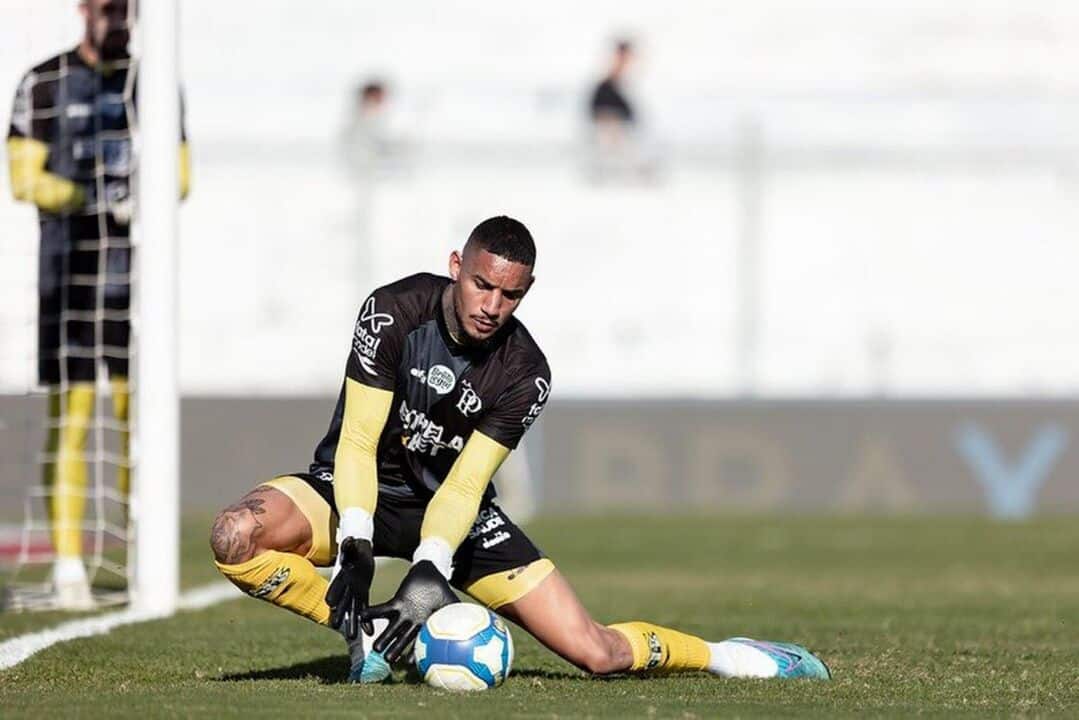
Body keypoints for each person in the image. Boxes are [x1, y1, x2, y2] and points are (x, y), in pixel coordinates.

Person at [209, 216, 831, 682]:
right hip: (355, 486)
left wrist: (429, 565)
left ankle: (730, 657)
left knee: (598, 653)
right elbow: (359, 441)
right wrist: (355, 539)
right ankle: (368, 632)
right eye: (482, 285)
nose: (492, 306)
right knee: (236, 535)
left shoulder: (526, 371)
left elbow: (462, 485)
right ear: (456, 265)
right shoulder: (391, 312)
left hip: (453, 513)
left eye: (511, 295)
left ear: (526, 289)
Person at [6, 0, 190, 609]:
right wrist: (90, 197)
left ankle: (138, 549)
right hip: (70, 285)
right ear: (84, 11)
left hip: (137, 293)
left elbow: (182, 175)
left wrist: (146, 193)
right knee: (73, 422)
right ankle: (67, 567)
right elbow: (22, 176)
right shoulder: (44, 81)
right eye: (109, 10)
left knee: (139, 425)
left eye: (128, 11)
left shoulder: (154, 84)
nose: (120, 22)